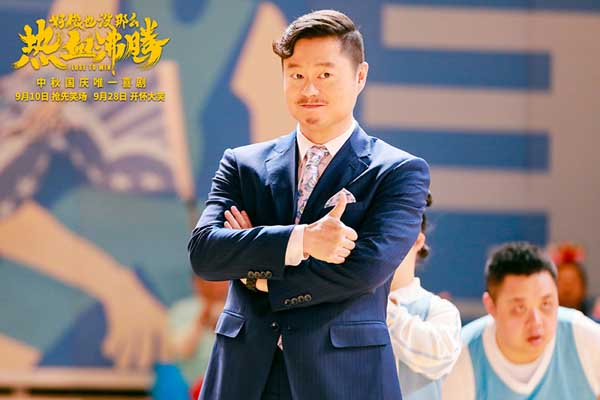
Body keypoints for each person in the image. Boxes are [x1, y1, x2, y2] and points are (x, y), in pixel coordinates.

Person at [187, 9, 430, 400]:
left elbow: (363, 270)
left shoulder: (397, 171)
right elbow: (205, 255)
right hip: (244, 375)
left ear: (360, 76)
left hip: (343, 378)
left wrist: (256, 274)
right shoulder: (242, 164)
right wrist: (302, 241)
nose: (309, 90)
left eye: (325, 74)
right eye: (296, 75)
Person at [442, 242, 600, 400]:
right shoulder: (461, 358)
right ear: (491, 306)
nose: (536, 322)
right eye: (520, 308)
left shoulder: (584, 338)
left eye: (546, 304)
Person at [386, 193, 461, 400]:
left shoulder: (440, 310)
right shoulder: (345, 303)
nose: (383, 246)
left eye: (394, 235)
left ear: (418, 240)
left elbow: (436, 358)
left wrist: (382, 309)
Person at [548, 242, 600, 321]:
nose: (568, 288)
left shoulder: (595, 316)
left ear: (583, 287)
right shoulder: (542, 317)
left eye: (573, 282)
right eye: (562, 282)